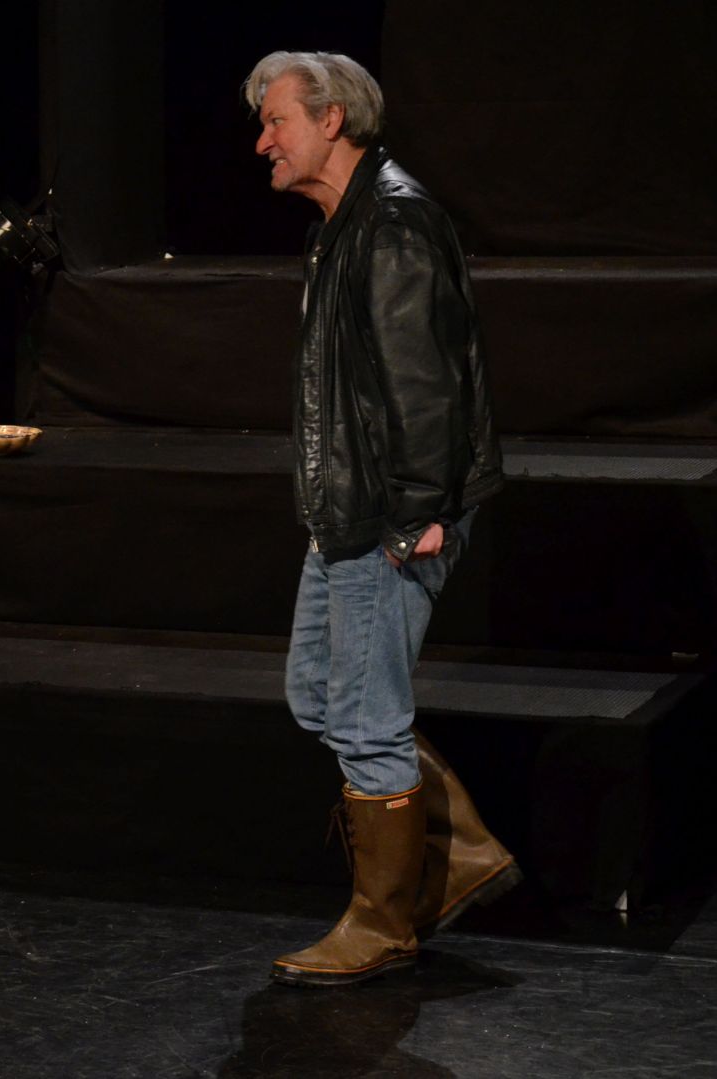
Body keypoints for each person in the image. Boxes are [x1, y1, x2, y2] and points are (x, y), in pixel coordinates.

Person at [242, 51, 520, 987]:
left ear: (333, 120)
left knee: (365, 719)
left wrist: (419, 513)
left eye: (276, 121)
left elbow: (424, 386)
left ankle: (383, 922)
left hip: (391, 516)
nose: (263, 142)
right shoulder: (340, 227)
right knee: (317, 694)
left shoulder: (393, 223)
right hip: (349, 510)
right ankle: (462, 854)